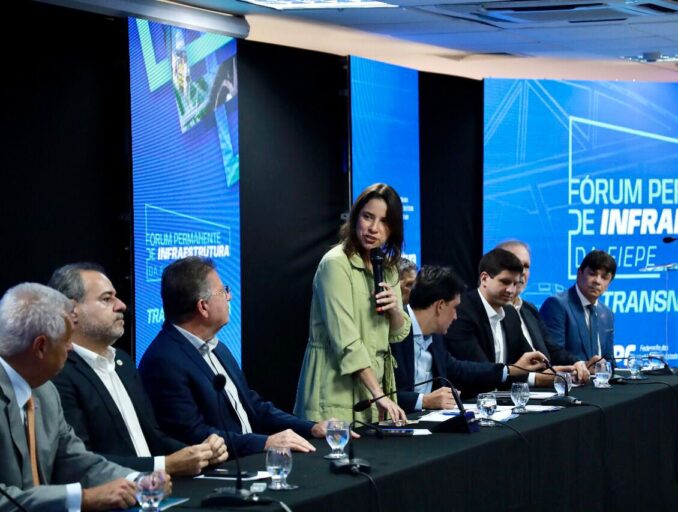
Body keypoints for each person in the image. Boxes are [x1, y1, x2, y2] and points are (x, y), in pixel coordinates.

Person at [49, 263, 228, 476]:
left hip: (158, 488)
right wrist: (164, 465)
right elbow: (81, 461)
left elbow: (154, 438)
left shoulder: (122, 363)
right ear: (72, 311)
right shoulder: (59, 374)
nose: (121, 305)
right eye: (106, 299)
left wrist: (200, 453)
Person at [139, 257, 329, 456]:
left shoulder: (216, 347)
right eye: (223, 291)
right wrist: (265, 442)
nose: (229, 296)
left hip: (250, 459)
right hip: (221, 469)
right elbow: (194, 435)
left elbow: (252, 406)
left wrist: (311, 428)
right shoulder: (163, 362)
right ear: (203, 306)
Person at [0, 283, 144, 511]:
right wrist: (83, 499)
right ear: (41, 346)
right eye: (67, 339)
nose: (71, 348)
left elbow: (74, 459)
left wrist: (137, 481)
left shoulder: (46, 392)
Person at [294, 183, 412, 423]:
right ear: (356, 217)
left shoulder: (388, 268)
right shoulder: (335, 264)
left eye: (384, 221)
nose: (373, 228)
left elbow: (397, 334)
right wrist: (378, 394)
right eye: (368, 217)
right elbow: (346, 341)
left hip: (374, 391)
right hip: (334, 389)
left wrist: (394, 311)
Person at [392, 266, 547, 413]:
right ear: (440, 306)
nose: (455, 316)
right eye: (454, 308)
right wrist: (423, 401)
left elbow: (459, 369)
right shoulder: (394, 330)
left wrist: (511, 370)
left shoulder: (435, 334)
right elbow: (383, 393)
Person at [444, 249, 572, 394]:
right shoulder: (461, 312)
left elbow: (525, 362)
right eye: (505, 282)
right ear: (484, 278)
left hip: (504, 399)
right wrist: (532, 376)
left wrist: (551, 371)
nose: (511, 290)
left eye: (515, 284)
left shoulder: (511, 313)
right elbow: (478, 372)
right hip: (469, 399)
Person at [496, 240, 590, 384]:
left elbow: (552, 349)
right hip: (514, 390)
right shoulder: (492, 310)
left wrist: (578, 363)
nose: (522, 272)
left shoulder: (529, 309)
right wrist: (537, 378)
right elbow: (496, 368)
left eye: (526, 266)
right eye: (516, 265)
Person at [539, 250, 617, 363]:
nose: (597, 281)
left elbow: (609, 359)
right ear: (579, 274)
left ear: (609, 284)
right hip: (569, 374)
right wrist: (585, 366)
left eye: (604, 277)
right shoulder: (556, 305)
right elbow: (553, 354)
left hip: (601, 375)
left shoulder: (607, 313)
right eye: (592, 274)